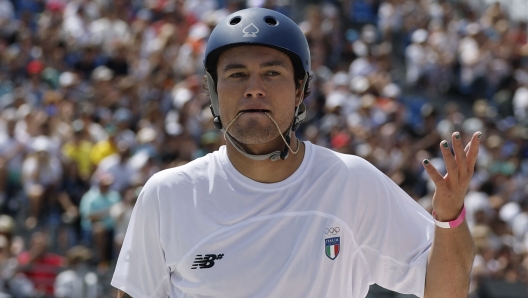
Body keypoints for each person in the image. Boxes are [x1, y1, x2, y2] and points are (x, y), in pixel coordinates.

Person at [112, 8, 482, 298]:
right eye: (237, 75)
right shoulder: (168, 194)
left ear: (300, 90)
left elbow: (446, 291)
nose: (253, 88)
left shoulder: (351, 181)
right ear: (212, 92)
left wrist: (449, 217)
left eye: (271, 73)